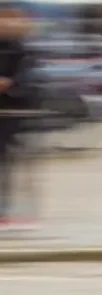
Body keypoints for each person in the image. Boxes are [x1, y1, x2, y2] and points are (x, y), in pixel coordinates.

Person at [0, 4, 35, 225]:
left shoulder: (23, 51)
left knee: (5, 163)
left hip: (10, 116)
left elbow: (29, 82)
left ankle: (4, 209)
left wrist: (10, 85)